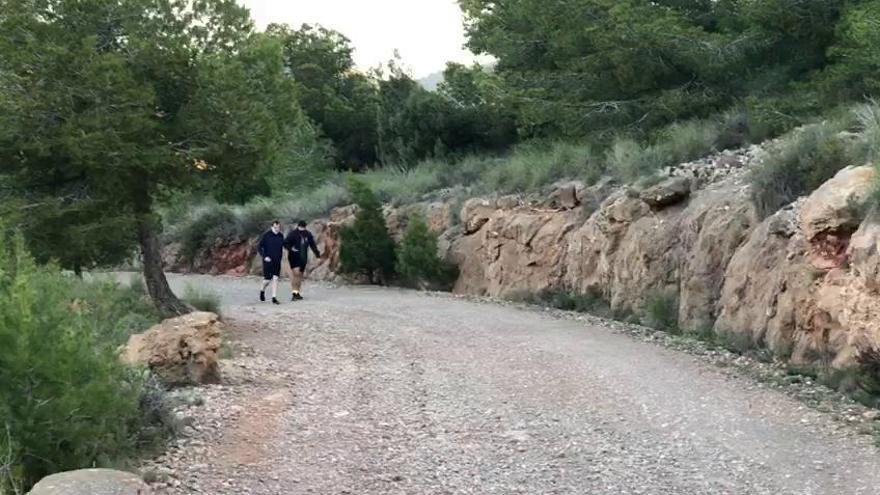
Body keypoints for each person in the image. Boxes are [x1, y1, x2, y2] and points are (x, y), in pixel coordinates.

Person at [284, 220, 321, 301]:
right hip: (294, 256)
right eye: (301, 228)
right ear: (298, 226)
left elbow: (312, 245)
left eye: (303, 228)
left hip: (303, 257)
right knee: (296, 274)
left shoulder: (308, 234)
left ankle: (297, 293)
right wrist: (291, 248)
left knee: (300, 276)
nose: (302, 229)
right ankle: (294, 293)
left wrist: (317, 255)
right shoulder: (293, 234)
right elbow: (285, 243)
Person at [257, 220, 284, 304]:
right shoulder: (267, 235)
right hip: (268, 260)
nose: (277, 229)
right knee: (267, 280)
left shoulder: (281, 236)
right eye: (275, 227)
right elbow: (259, 247)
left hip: (277, 260)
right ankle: (262, 290)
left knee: (275, 278)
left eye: (278, 227)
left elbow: (283, 246)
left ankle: (274, 297)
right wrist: (264, 257)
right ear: (272, 227)